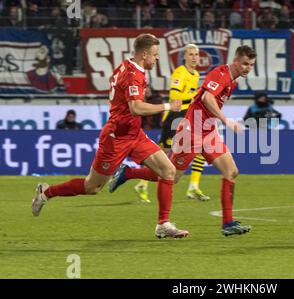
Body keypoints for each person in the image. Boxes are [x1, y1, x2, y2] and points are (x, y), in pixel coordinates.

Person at [31, 33, 189, 239]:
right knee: (92, 187)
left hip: (134, 134)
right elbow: (135, 108)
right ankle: (46, 192)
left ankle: (163, 224)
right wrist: (168, 106)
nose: (156, 58)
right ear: (143, 54)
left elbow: (121, 92)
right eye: (154, 55)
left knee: (169, 171)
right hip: (116, 137)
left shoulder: (127, 65)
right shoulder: (134, 74)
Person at [110, 45, 257, 237]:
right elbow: (207, 98)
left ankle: (227, 223)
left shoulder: (232, 81)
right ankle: (128, 173)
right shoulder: (220, 74)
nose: (247, 68)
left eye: (251, 65)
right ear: (236, 61)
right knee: (172, 176)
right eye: (245, 63)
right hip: (191, 131)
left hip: (207, 132)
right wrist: (225, 120)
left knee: (231, 171)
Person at [133, 44, 211, 203]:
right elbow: (175, 96)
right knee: (163, 154)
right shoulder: (179, 73)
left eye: (196, 54)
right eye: (191, 54)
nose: (194, 57)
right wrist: (196, 95)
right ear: (185, 57)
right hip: (175, 117)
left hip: (188, 117)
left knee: (202, 147)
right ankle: (142, 184)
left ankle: (193, 187)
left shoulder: (195, 74)